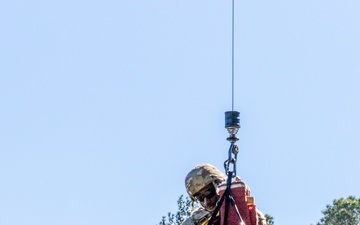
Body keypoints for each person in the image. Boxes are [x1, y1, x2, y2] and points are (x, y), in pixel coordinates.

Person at [182, 164, 267, 225]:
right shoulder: (196, 219)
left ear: (218, 186)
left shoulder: (240, 210)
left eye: (209, 194)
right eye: (201, 198)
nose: (206, 202)